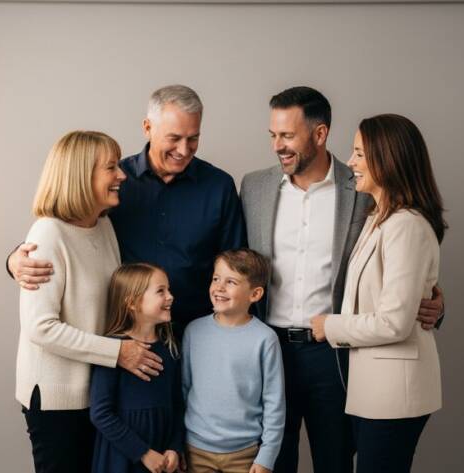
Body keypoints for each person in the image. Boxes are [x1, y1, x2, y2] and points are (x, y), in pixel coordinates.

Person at [239, 87, 445, 473]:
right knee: (271, 461)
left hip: (335, 355)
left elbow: (404, 263)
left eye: (287, 136)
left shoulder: (366, 189)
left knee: (335, 460)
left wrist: (433, 300)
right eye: (273, 135)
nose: (277, 146)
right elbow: (237, 266)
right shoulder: (254, 187)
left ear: (319, 134)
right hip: (269, 348)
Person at [7, 85, 246, 337]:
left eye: (193, 138)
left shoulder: (219, 186)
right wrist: (15, 260)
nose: (184, 150)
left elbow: (236, 264)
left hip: (198, 332)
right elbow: (68, 229)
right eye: (174, 138)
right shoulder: (113, 181)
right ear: (147, 128)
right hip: (123, 335)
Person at [17, 130, 161, 472]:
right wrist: (118, 353)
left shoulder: (103, 226)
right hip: (57, 400)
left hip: (97, 394)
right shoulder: (48, 234)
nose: (122, 175)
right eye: (111, 167)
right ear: (82, 175)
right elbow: (41, 328)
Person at [309, 114, 446, 473]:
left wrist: (331, 326)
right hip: (372, 389)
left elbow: (395, 323)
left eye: (358, 154)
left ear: (388, 160)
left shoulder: (406, 226)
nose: (350, 163)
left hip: (394, 393)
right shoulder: (378, 218)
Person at [182, 249, 285, 473]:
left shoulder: (265, 339)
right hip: (196, 450)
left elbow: (274, 403)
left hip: (245, 454)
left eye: (231, 282)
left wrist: (266, 457)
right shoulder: (194, 331)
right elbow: (184, 389)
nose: (219, 287)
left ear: (255, 294)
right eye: (216, 279)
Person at [90, 263, 185, 473]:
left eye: (168, 290)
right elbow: (100, 413)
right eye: (161, 291)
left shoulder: (171, 347)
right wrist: (143, 453)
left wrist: (174, 447)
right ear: (132, 302)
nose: (170, 296)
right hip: (122, 457)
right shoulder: (114, 349)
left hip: (163, 455)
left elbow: (178, 404)